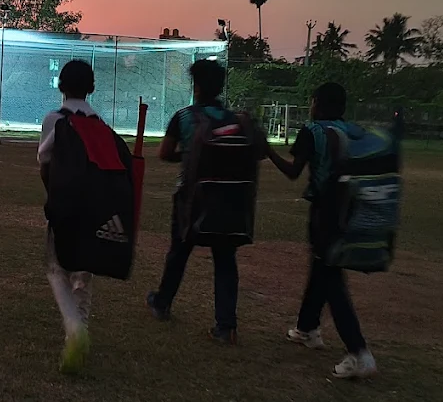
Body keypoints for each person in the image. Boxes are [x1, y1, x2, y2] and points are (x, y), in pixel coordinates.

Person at [265, 82, 377, 379]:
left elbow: (293, 172)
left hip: (326, 211)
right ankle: (307, 328)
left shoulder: (312, 131)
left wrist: (267, 151)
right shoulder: (354, 132)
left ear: (318, 103)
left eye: (312, 100)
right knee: (321, 266)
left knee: (330, 276)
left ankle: (359, 352)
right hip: (353, 209)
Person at [145, 59, 246, 343]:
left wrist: (189, 155)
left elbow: (165, 153)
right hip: (228, 200)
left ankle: (162, 302)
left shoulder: (185, 117)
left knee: (179, 252)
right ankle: (226, 325)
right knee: (225, 259)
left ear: (197, 87)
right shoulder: (235, 120)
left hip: (193, 200)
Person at [38, 60, 102, 373]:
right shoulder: (98, 121)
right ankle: (78, 334)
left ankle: (74, 331)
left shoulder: (55, 119)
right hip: (93, 208)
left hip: (63, 207)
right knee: (83, 274)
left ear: (61, 86)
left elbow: (44, 161)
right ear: (91, 88)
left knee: (55, 269)